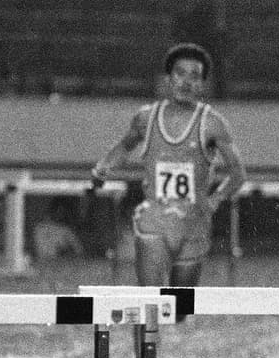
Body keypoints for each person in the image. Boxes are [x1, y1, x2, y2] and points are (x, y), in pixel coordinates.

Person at [90, 43, 246, 288]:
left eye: (194, 76)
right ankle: (144, 323)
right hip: (154, 218)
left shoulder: (213, 124)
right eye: (179, 73)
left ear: (203, 84)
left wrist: (214, 200)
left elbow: (238, 174)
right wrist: (103, 167)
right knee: (149, 301)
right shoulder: (146, 117)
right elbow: (125, 146)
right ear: (168, 79)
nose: (185, 82)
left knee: (178, 307)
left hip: (192, 224)